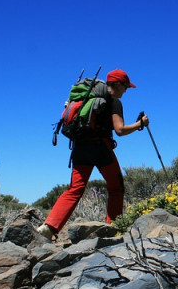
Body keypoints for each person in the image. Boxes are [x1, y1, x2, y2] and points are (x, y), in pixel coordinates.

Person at [37, 69, 149, 241]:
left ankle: (49, 227)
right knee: (116, 187)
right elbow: (119, 130)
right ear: (118, 85)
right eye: (125, 87)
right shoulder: (113, 102)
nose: (126, 91)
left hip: (80, 148)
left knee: (75, 189)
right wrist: (140, 123)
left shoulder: (84, 98)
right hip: (100, 148)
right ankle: (114, 228)